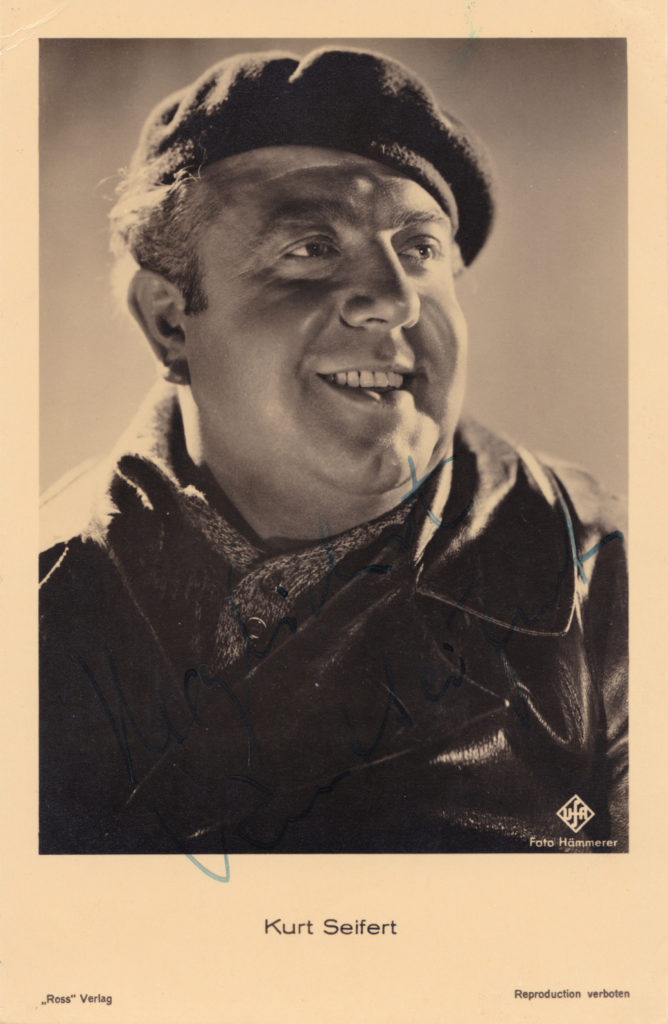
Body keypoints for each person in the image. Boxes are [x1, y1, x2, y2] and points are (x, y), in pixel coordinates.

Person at [39, 47, 628, 855]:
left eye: (420, 250)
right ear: (171, 322)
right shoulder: (39, 595)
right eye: (311, 248)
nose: (394, 299)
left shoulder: (612, 581)